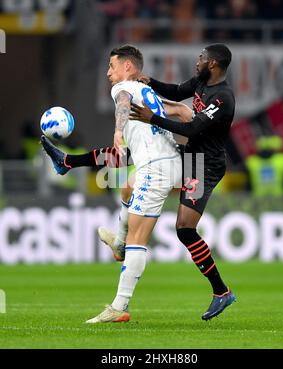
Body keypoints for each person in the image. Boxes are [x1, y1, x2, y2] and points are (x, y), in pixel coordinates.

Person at [41, 45, 187, 323]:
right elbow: (177, 110)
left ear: (127, 67)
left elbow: (121, 101)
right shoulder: (148, 92)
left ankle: (119, 306)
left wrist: (118, 130)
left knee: (138, 239)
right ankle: (119, 244)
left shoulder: (125, 88)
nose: (108, 73)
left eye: (112, 66)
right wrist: (183, 111)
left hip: (157, 168)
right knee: (127, 185)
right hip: (163, 163)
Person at [129, 43, 236, 321]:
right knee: (135, 158)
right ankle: (70, 163)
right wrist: (149, 81)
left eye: (201, 58)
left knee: (185, 229)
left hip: (204, 165)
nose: (197, 62)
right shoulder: (200, 83)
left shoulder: (223, 97)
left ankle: (221, 291)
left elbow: (192, 128)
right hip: (190, 156)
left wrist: (153, 118)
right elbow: (177, 91)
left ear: (213, 64)